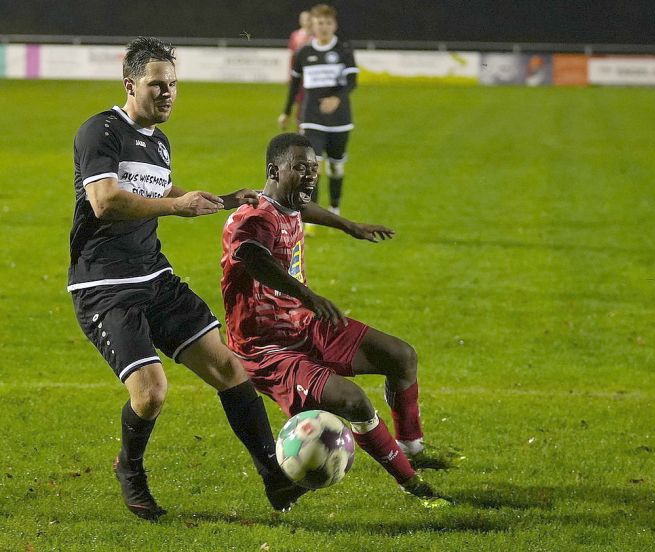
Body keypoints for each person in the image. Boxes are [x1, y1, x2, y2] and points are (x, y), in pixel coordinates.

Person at [70, 37, 308, 521]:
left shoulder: (158, 141)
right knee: (151, 392)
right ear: (129, 84)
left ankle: (273, 476)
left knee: (229, 369)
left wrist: (216, 200)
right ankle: (130, 470)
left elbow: (156, 188)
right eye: (157, 85)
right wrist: (177, 207)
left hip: (154, 275)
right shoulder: (101, 132)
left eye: (174, 84)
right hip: (103, 286)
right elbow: (106, 202)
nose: (168, 93)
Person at [220, 133, 463, 508]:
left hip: (305, 323)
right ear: (274, 170)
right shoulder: (253, 218)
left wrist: (349, 225)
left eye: (314, 169)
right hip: (268, 349)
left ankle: (411, 447)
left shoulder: (287, 201)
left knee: (401, 356)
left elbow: (302, 208)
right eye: (301, 168)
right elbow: (253, 256)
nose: (310, 176)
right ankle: (412, 485)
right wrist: (308, 295)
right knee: (353, 401)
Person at [278, 3, 358, 226]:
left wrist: (337, 98)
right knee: (312, 166)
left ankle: (335, 206)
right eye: (319, 23)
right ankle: (312, 217)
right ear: (313, 25)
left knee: (335, 166)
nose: (323, 27)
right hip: (311, 117)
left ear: (334, 25)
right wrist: (286, 112)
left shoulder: (343, 50)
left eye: (327, 23)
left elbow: (352, 81)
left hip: (340, 121)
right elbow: (294, 86)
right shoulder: (304, 52)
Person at [286, 10, 313, 128]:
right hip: (299, 74)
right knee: (299, 101)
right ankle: (300, 125)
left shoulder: (316, 36)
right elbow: (292, 56)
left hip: (311, 75)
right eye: (303, 19)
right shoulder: (295, 35)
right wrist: (290, 74)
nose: (305, 21)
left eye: (307, 19)